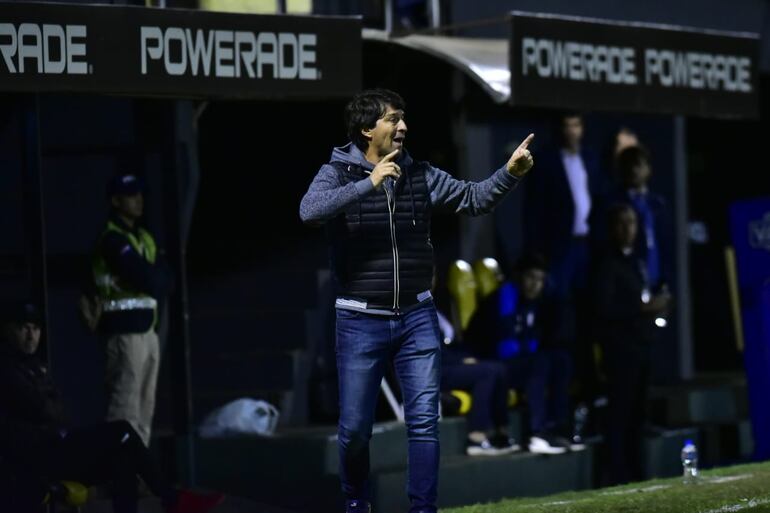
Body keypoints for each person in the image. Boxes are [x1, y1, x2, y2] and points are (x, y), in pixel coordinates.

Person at [299, 88, 534, 513]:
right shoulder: (336, 172)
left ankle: (423, 510)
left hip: (416, 316)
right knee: (354, 431)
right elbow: (309, 211)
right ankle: (357, 503)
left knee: (424, 422)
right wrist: (367, 185)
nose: (403, 126)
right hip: (359, 319)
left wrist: (510, 173)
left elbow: (474, 198)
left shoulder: (421, 175)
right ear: (367, 129)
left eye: (403, 118)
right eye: (393, 119)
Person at [0, 300, 222, 513]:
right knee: (122, 430)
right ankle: (172, 500)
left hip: (57, 445)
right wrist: (50, 407)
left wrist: (50, 408)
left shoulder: (37, 366)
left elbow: (57, 410)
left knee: (122, 457)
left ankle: (171, 500)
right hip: (37, 456)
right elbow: (42, 408)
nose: (31, 336)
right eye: (24, 328)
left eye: (36, 329)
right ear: (8, 330)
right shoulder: (7, 367)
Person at [523, 111, 603, 402]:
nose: (572, 131)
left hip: (587, 246)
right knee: (557, 315)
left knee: (588, 315)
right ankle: (559, 384)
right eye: (567, 125)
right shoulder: (547, 160)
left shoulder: (591, 158)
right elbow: (535, 208)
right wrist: (538, 251)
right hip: (560, 248)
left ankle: (588, 383)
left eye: (576, 125)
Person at [591, 204, 671, 484]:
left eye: (632, 223)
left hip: (641, 348)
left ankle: (638, 475)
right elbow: (605, 308)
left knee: (639, 415)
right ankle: (618, 476)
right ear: (613, 227)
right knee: (620, 416)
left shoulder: (636, 261)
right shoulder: (606, 263)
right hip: (620, 351)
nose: (628, 229)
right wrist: (644, 307)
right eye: (622, 223)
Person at [466, 253, 578, 454]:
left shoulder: (537, 304)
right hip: (494, 365)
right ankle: (537, 433)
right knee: (540, 363)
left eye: (540, 280)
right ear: (519, 277)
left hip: (519, 362)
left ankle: (558, 428)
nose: (535, 284)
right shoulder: (500, 300)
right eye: (530, 278)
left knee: (561, 360)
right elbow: (498, 346)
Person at [91, 173, 172, 446]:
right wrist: (153, 277)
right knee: (124, 409)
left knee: (144, 409)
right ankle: (118, 478)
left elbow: (165, 279)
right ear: (115, 200)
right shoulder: (112, 239)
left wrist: (153, 277)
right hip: (123, 334)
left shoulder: (143, 237)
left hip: (147, 331)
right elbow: (147, 278)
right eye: (130, 195)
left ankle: (137, 477)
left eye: (140, 194)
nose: (138, 200)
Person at [435, 305, 519, 457]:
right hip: (433, 370)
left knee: (498, 368)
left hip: (450, 363)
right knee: (486, 372)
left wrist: (467, 357)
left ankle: (500, 434)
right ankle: (476, 438)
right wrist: (461, 360)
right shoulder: (415, 311)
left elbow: (453, 344)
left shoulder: (438, 308)